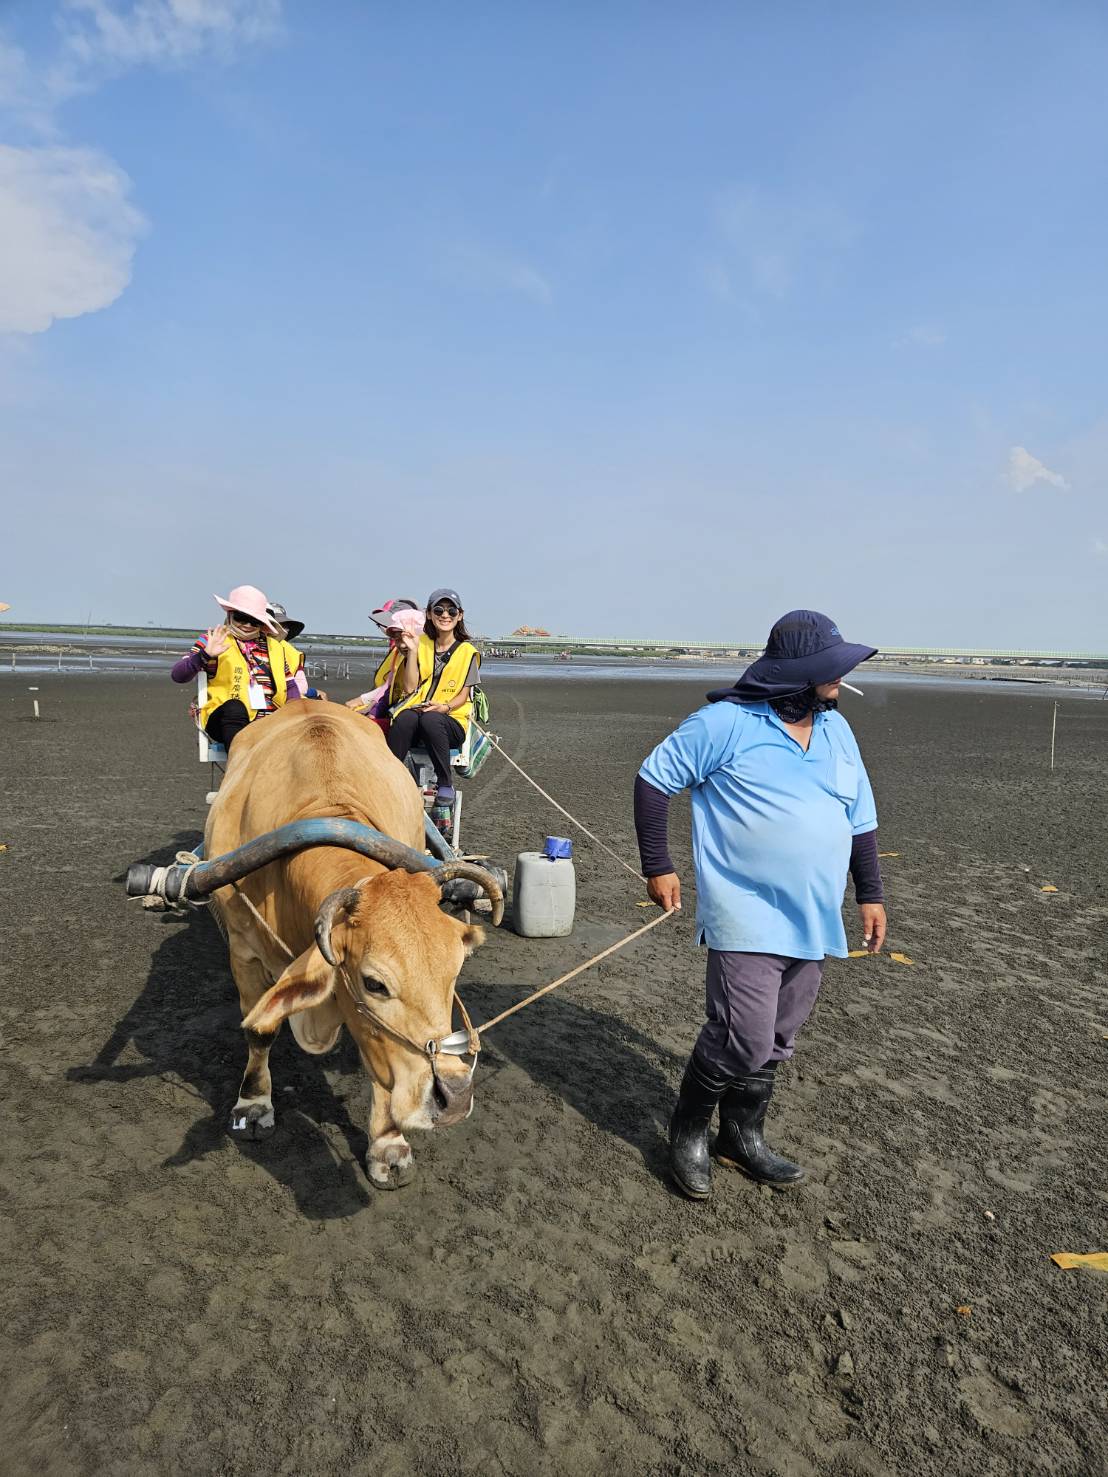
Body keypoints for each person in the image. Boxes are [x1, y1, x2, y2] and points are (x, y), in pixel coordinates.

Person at [634, 609, 887, 1200]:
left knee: (779, 1034)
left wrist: (870, 894)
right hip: (743, 909)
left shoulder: (837, 730)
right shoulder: (723, 723)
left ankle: (741, 1136)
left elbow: (861, 821)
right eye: (831, 666)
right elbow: (653, 780)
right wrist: (658, 865)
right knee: (743, 1034)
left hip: (816, 914)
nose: (841, 677)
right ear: (797, 672)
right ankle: (689, 1131)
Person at [387, 588, 481, 837]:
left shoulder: (467, 652)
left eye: (451, 610)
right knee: (405, 717)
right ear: (429, 614)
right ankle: (389, 779)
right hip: (419, 712)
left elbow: (464, 694)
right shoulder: (421, 643)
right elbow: (409, 688)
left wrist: (445, 707)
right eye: (438, 610)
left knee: (431, 719)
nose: (445, 615)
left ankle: (445, 782)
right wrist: (412, 651)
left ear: (459, 616)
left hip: (450, 720)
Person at [171, 584, 302, 752]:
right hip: (226, 719)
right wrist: (204, 655)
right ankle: (240, 760)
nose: (248, 624)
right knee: (235, 707)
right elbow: (178, 675)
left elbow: (290, 686)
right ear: (230, 614)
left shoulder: (275, 647)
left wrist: (297, 715)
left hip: (271, 721)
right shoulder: (214, 639)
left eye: (254, 621)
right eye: (241, 617)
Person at [344, 600, 425, 732]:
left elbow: (396, 690)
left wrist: (371, 708)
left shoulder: (420, 654)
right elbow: (389, 688)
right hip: (392, 708)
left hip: (405, 715)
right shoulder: (398, 651)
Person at [266, 601, 326, 700]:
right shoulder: (248, 647)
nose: (277, 630)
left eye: (282, 625)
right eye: (273, 624)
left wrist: (313, 692)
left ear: (287, 629)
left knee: (321, 696)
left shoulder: (292, 653)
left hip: (288, 694)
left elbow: (301, 686)